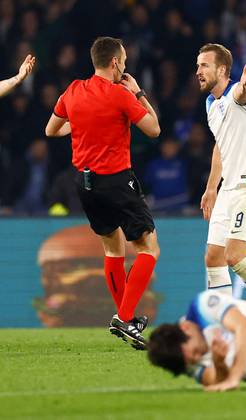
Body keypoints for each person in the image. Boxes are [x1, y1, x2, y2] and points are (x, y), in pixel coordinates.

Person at [45, 37, 161, 350]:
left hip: (85, 186)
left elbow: (51, 130)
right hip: (117, 182)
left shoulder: (73, 90)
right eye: (123, 61)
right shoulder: (119, 94)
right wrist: (137, 92)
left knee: (113, 251)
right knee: (149, 248)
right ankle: (125, 318)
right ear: (114, 63)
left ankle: (128, 318)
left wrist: (80, 126)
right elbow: (153, 129)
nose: (124, 66)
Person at [196, 44, 246, 309]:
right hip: (229, 189)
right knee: (213, 257)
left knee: (234, 257)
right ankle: (222, 325)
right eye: (198, 66)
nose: (198, 71)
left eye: (204, 66)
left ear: (222, 70)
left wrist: (242, 87)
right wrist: (211, 188)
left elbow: (242, 96)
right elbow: (221, 145)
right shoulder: (211, 104)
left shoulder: (242, 93)